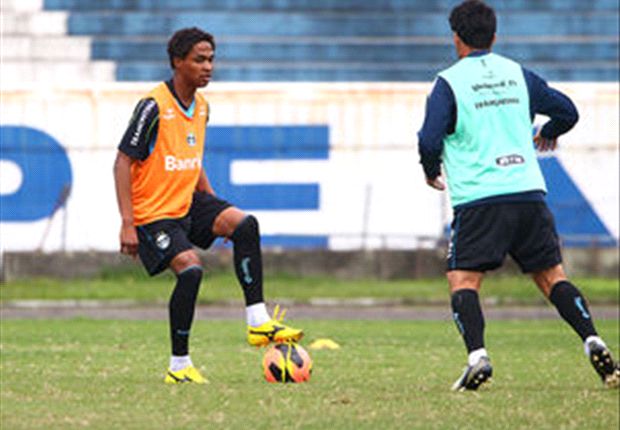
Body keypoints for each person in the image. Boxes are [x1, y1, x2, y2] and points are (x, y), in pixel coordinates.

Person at [417, 0, 619, 391]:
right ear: (494, 36)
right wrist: (550, 131)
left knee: (463, 279)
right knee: (552, 277)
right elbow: (568, 111)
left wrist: (430, 170)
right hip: (528, 194)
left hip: (479, 199)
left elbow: (428, 138)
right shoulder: (517, 74)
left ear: (456, 38)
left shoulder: (449, 82)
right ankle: (593, 338)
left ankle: (477, 356)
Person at [113, 27, 302, 384]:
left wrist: (215, 209)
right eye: (199, 59)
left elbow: (190, 158)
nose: (208, 66)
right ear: (177, 62)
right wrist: (127, 222)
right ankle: (179, 366)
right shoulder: (153, 106)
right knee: (191, 270)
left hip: (187, 203)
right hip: (154, 216)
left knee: (245, 224)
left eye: (211, 59)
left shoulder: (201, 107)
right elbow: (123, 161)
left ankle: (258, 321)